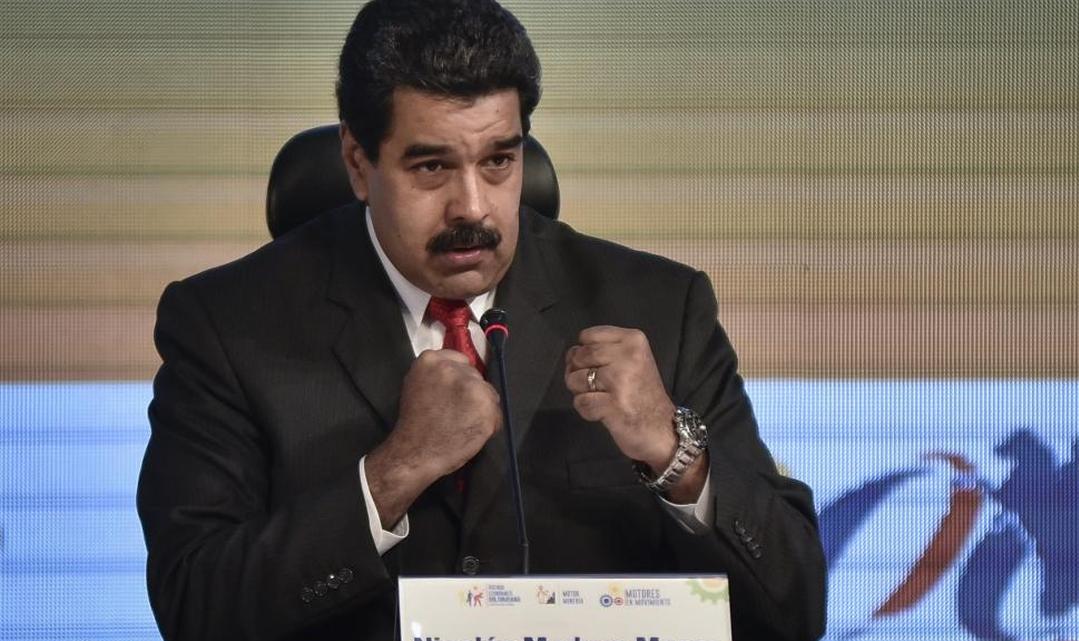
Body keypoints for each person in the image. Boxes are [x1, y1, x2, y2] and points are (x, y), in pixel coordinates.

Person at [136, 1, 827, 639]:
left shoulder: (659, 308)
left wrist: (674, 454)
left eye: (499, 160)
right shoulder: (228, 326)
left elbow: (794, 607)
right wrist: (393, 472)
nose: (474, 207)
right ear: (356, 161)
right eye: (432, 166)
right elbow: (196, 605)